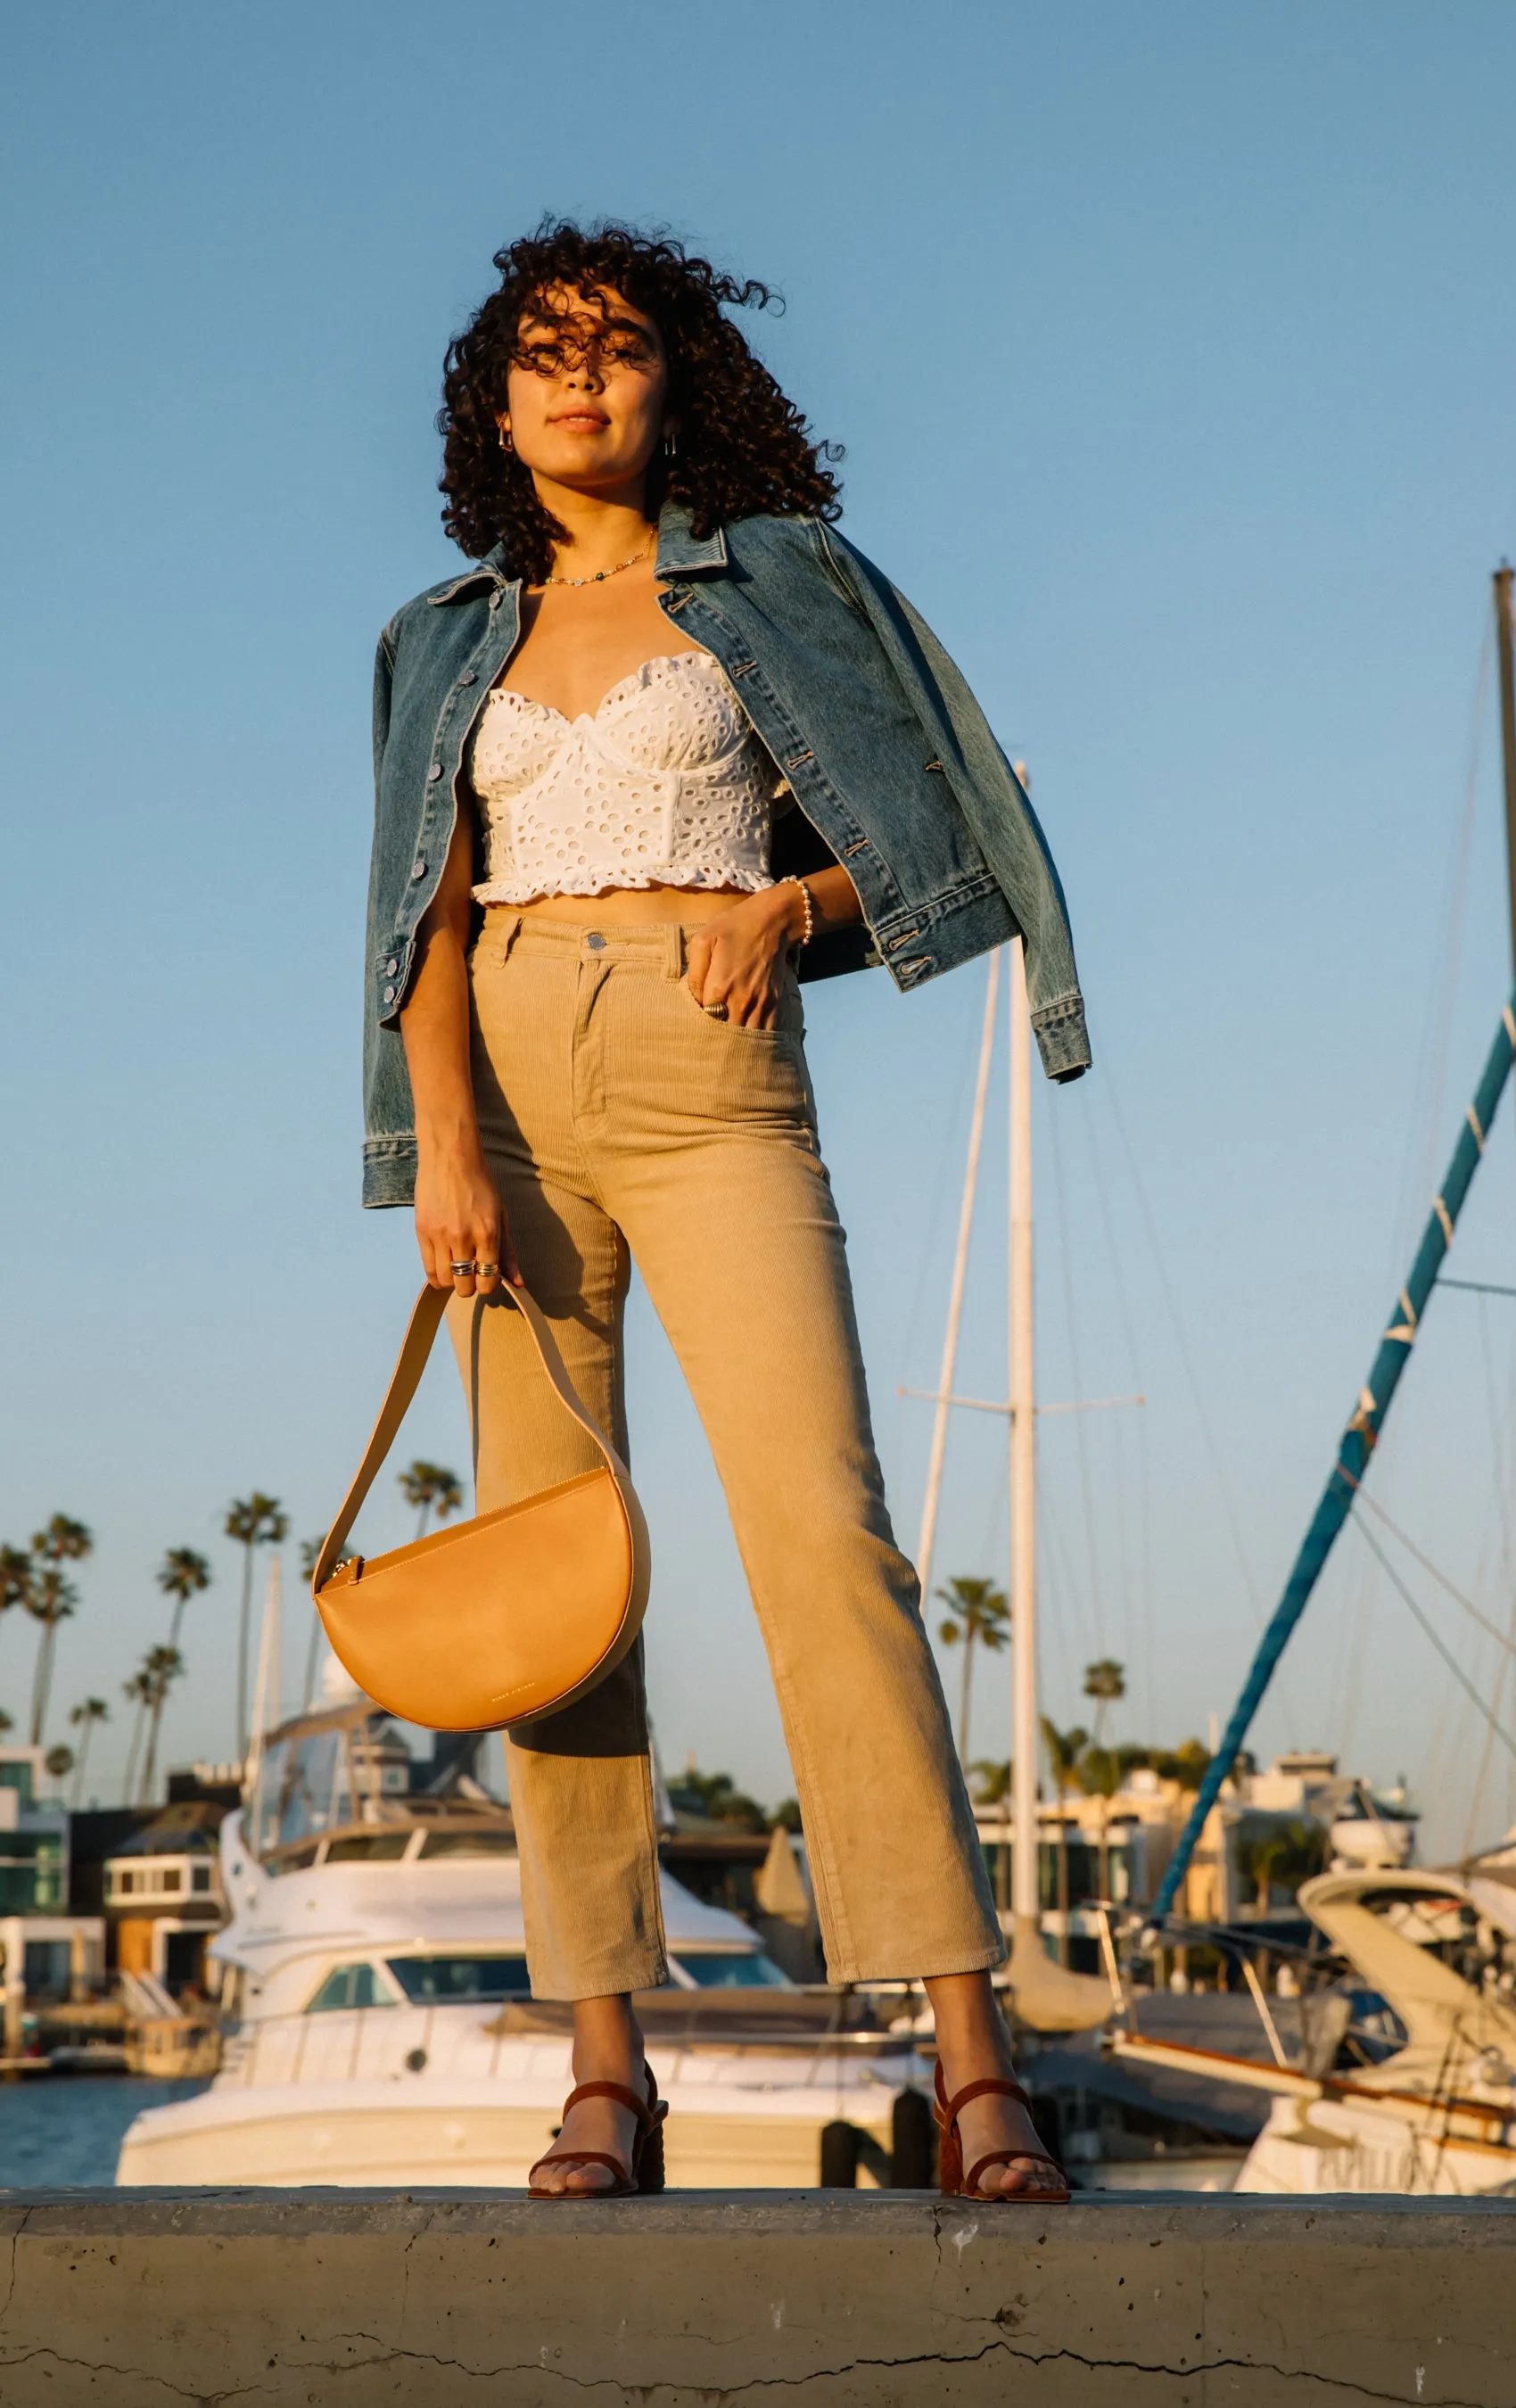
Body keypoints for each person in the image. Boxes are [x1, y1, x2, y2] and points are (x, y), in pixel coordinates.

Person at [364, 220, 1090, 2200]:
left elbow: (934, 831)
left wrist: (785, 900)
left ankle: (970, 2053)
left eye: (612, 349)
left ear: (677, 379)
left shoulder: (781, 583)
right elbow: (418, 912)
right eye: (538, 356)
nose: (576, 380)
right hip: (503, 1094)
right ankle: (607, 2073)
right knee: (554, 1590)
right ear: (492, 407)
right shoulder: (446, 637)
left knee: (822, 1540)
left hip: (712, 1081)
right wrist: (438, 1144)